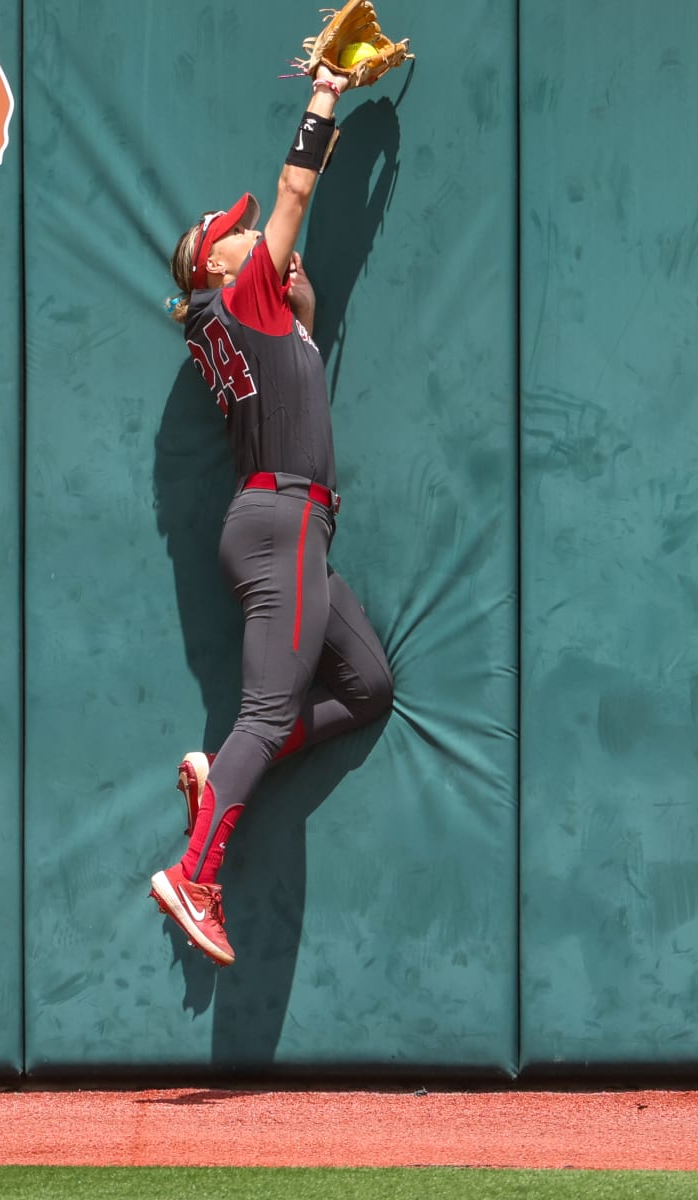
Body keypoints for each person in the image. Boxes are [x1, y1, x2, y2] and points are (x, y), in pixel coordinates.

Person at [151, 59, 396, 966]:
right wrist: (325, 91)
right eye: (237, 234)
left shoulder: (249, 315)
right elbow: (299, 184)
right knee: (263, 715)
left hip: (287, 529)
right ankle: (196, 872)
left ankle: (221, 789)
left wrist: (296, 296)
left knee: (367, 687)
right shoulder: (238, 294)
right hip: (284, 523)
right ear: (214, 263)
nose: (253, 233)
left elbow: (305, 307)